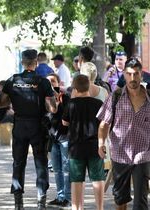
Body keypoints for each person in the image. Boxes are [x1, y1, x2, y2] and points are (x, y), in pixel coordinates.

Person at [0, 49, 57, 209]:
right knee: (41, 162)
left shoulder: (13, 80)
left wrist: (14, 102)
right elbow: (53, 108)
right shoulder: (43, 81)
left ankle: (18, 202)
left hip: (19, 126)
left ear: (22, 62)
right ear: (36, 62)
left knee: (18, 162)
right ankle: (41, 200)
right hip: (38, 126)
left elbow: (2, 102)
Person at [97, 58, 150, 210]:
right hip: (120, 154)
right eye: (129, 74)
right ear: (124, 75)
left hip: (143, 155)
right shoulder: (115, 97)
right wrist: (100, 143)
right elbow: (104, 124)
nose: (132, 78)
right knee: (120, 200)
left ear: (141, 75)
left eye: (136, 74)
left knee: (141, 202)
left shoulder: (149, 98)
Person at [62, 75, 105, 210]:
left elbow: (64, 122)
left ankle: (77, 208)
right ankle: (100, 207)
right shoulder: (98, 103)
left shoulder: (71, 104)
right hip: (94, 146)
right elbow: (104, 124)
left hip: (76, 147)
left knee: (77, 181)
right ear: (88, 87)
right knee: (97, 179)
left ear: (75, 88)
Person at [46, 73, 71, 207]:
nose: (50, 84)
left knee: (67, 168)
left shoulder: (65, 97)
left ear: (58, 83)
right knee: (56, 169)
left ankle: (67, 197)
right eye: (48, 82)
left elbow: (67, 115)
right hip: (53, 138)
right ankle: (60, 196)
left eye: (53, 81)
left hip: (65, 137)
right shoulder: (45, 98)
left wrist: (57, 100)